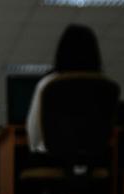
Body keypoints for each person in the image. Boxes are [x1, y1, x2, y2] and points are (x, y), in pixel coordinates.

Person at [26, 24, 104, 153]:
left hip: (52, 160)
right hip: (94, 161)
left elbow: (34, 136)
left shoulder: (48, 83)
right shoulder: (105, 86)